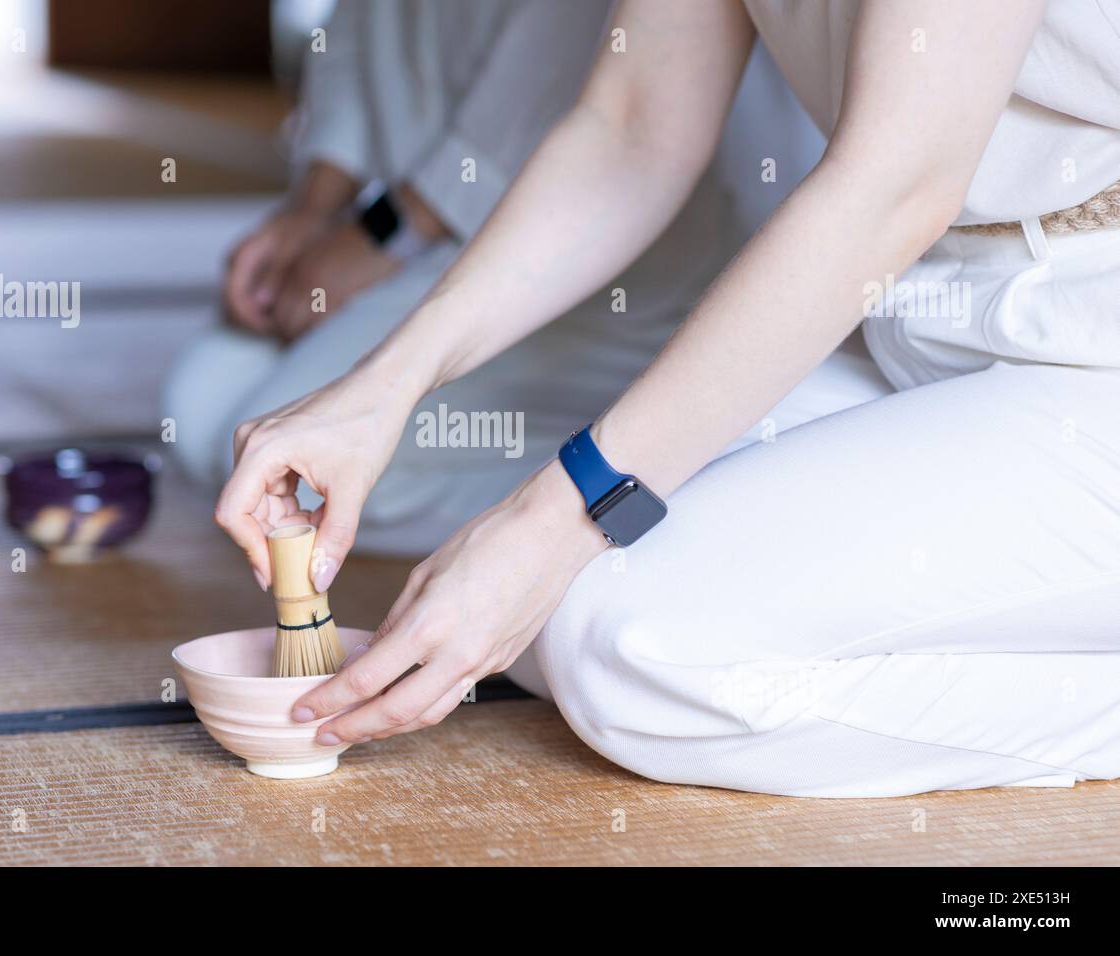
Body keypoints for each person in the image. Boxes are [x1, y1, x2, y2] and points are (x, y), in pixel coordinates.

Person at [221, 0, 1120, 798]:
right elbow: (630, 129)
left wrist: (553, 516)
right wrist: (381, 387)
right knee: (539, 614)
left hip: (1091, 336)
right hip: (920, 309)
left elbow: (894, 185)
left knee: (629, 650)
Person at [163, 0, 854, 546]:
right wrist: (312, 209)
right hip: (436, 248)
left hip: (590, 260)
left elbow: (610, 118)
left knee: (302, 475)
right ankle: (589, 491)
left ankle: (620, 502)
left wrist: (378, 238)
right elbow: (353, 38)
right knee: (207, 410)